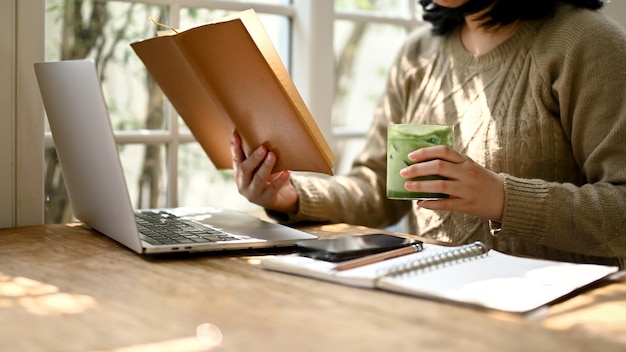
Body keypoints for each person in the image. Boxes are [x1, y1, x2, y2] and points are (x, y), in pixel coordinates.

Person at [230, 0, 626, 268]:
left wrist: (502, 198)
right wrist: (292, 195)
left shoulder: (587, 42)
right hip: (435, 298)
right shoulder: (416, 54)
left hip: (554, 316)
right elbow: (377, 189)